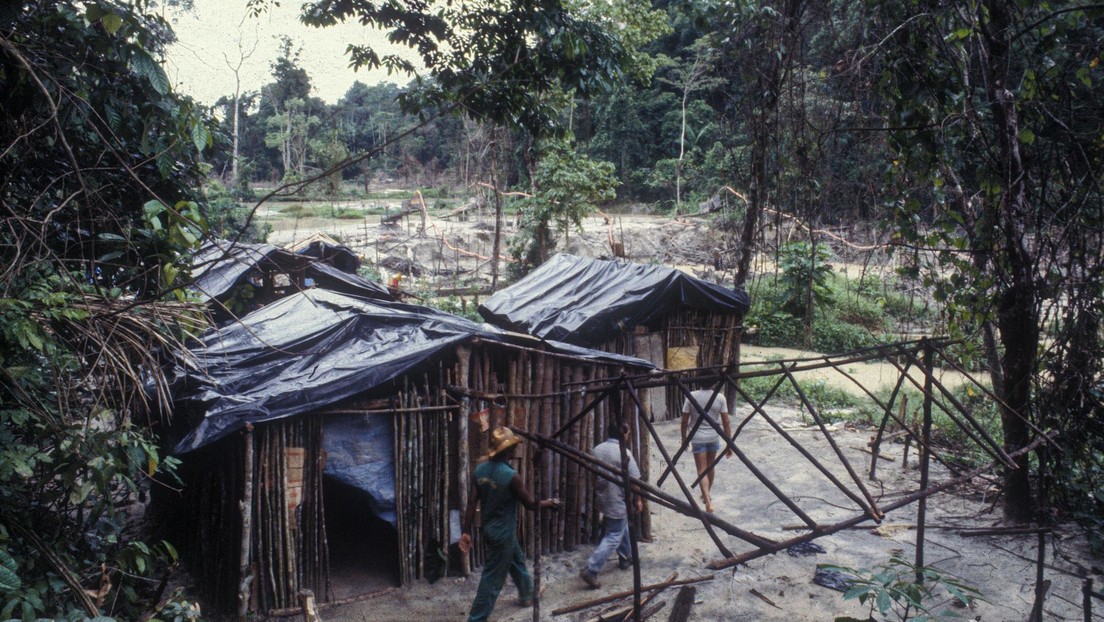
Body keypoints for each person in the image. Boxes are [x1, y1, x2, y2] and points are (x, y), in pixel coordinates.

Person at [459, 426, 560, 622]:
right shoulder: (512, 476)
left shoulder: (480, 470)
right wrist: (549, 503)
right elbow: (530, 504)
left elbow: (472, 503)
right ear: (507, 450)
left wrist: (466, 532)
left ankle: (527, 593)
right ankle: (476, 618)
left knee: (516, 559)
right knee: (493, 578)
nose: (515, 449)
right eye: (513, 446)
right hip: (503, 533)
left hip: (490, 530)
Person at [579, 421, 643, 590]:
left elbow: (593, 477)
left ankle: (626, 556)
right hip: (616, 498)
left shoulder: (597, 449)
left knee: (620, 527)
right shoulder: (623, 453)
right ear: (624, 433)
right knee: (614, 534)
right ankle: (591, 569)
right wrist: (638, 499)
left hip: (603, 496)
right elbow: (635, 480)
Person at [681, 387, 732, 513]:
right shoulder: (720, 397)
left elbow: (684, 421)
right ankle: (706, 495)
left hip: (697, 438)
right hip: (713, 437)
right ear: (713, 383)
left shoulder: (691, 396)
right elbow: (726, 421)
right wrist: (728, 443)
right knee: (710, 467)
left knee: (701, 470)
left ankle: (707, 501)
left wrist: (684, 438)